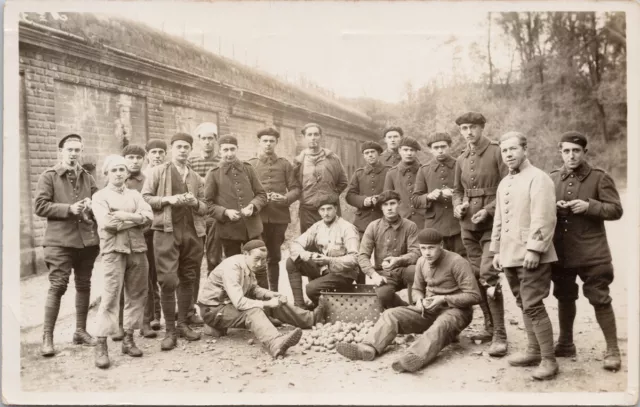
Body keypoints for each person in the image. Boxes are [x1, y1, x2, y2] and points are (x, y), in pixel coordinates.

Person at [336, 228, 481, 373]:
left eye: (431, 248)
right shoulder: (421, 262)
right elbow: (417, 289)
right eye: (423, 248)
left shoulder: (457, 262)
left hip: (456, 312)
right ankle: (367, 348)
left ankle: (413, 357)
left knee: (442, 324)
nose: (427, 253)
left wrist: (443, 299)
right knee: (391, 314)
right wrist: (419, 300)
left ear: (441, 245)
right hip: (429, 309)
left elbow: (474, 296)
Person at [550, 131, 623, 371]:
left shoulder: (599, 178)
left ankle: (612, 350)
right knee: (564, 296)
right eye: (566, 151)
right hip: (562, 253)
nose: (571, 156)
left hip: (593, 253)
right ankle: (565, 343)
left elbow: (615, 210)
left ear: (584, 152)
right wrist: (555, 207)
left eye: (576, 151)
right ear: (560, 152)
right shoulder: (552, 179)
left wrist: (589, 206)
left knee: (599, 298)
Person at [491, 131, 559, 380]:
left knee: (533, 304)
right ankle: (532, 350)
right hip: (509, 255)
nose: (508, 154)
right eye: (504, 151)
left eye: (513, 149)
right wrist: (496, 250)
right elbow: (499, 218)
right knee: (523, 303)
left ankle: (549, 361)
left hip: (532, 255)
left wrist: (534, 249)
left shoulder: (539, 178)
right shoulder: (504, 182)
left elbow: (544, 217)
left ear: (525, 150)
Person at [197, 240, 328, 358]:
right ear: (246, 253)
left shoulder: (247, 263)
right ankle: (275, 343)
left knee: (274, 302)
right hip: (213, 310)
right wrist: (267, 303)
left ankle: (311, 319)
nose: (260, 264)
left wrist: (271, 295)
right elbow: (240, 302)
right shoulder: (232, 267)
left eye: (263, 259)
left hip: (227, 305)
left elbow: (253, 289)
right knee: (254, 310)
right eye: (257, 259)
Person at [35, 134, 101, 357]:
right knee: (58, 286)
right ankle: (47, 337)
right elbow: (40, 206)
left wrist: (92, 204)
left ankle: (80, 331)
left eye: (77, 150)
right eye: (70, 150)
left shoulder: (87, 177)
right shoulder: (49, 176)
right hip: (59, 242)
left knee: (84, 284)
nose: (74, 154)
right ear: (61, 151)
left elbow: (98, 201)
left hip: (86, 242)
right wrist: (69, 209)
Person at [142, 132, 207, 350]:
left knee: (188, 277)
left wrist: (194, 202)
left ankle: (182, 324)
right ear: (172, 149)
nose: (182, 150)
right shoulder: (158, 172)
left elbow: (206, 206)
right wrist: (168, 200)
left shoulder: (197, 178)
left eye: (186, 147)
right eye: (178, 146)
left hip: (192, 232)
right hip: (166, 230)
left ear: (190, 150)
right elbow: (145, 198)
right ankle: (169, 330)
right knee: (168, 280)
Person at [452, 112, 509, 355]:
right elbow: (456, 191)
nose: (468, 132)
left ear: (482, 128)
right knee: (475, 277)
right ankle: (488, 325)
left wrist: (488, 210)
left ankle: (500, 334)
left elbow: (507, 189)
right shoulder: (461, 158)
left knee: (489, 275)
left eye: (472, 127)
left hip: (492, 224)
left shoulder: (497, 152)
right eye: (464, 128)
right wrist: (458, 205)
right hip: (468, 226)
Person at [91, 155, 153, 368]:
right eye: (114, 170)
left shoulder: (135, 194)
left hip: (137, 249)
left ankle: (128, 339)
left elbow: (149, 216)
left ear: (127, 173)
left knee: (136, 295)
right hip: (113, 251)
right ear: (106, 173)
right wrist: (135, 218)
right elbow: (108, 223)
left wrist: (125, 216)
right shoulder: (99, 197)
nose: (119, 173)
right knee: (110, 297)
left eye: (122, 169)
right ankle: (101, 344)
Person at [247, 128, 301, 291]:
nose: (268, 144)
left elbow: (296, 189)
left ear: (276, 142)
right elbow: (245, 190)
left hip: (279, 217)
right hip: (258, 217)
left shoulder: (284, 164)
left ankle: (274, 292)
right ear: (259, 142)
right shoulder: (251, 164)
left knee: (274, 256)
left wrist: (285, 198)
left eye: (271, 141)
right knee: (257, 255)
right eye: (265, 140)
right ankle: (259, 291)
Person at [286, 195, 360, 309]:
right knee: (291, 262)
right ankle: (300, 306)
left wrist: (329, 260)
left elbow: (354, 259)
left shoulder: (347, 228)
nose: (326, 213)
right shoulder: (317, 226)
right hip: (324, 270)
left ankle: (331, 308)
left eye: (329, 209)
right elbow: (295, 244)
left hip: (342, 275)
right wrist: (306, 254)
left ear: (336, 209)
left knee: (311, 289)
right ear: (319, 212)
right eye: (322, 210)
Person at [204, 135, 267, 257]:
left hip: (252, 228)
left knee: (258, 262)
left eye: (232, 149)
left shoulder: (248, 168)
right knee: (234, 266)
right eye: (225, 150)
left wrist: (252, 206)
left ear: (237, 149)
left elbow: (261, 194)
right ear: (219, 150)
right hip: (229, 230)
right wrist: (225, 212)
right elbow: (207, 203)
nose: (229, 153)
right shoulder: (214, 173)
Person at [358, 190, 419, 309]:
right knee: (383, 295)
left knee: (415, 271)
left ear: (399, 204)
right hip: (384, 274)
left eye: (392, 203)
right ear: (381, 207)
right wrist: (374, 275)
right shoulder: (373, 226)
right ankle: (403, 308)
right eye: (385, 205)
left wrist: (398, 260)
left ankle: (417, 307)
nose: (389, 208)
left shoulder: (410, 226)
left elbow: (416, 252)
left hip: (405, 270)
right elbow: (362, 256)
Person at [412, 132, 466, 256]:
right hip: (435, 225)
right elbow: (415, 199)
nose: (440, 151)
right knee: (438, 262)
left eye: (443, 147)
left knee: (462, 260)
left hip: (459, 223)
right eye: (436, 148)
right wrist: (429, 196)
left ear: (450, 146)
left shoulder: (461, 164)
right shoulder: (424, 170)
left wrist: (457, 196)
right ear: (430, 150)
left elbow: (468, 191)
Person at [292, 123, 348, 233]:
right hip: (308, 209)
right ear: (304, 137)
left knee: (333, 244)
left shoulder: (332, 158)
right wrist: (303, 197)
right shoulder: (299, 161)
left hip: (330, 209)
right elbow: (293, 184)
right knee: (309, 243)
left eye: (316, 134)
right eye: (309, 134)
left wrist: (332, 195)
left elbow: (343, 181)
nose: (313, 137)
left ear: (321, 136)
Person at [189, 122, 223, 274]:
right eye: (204, 138)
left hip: (214, 214)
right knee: (194, 254)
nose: (207, 142)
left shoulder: (221, 161)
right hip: (195, 213)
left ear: (216, 140)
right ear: (199, 140)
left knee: (214, 256)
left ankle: (213, 287)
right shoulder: (191, 161)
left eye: (211, 138)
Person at [346, 141, 391, 240]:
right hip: (363, 221)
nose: (370, 155)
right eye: (367, 153)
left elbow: (396, 193)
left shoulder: (389, 171)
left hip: (385, 217)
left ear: (379, 153)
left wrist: (380, 199)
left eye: (372, 152)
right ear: (364, 156)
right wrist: (364, 201)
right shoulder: (359, 174)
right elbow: (350, 196)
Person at [384, 136, 424, 228]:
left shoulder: (423, 170)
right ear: (399, 150)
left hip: (423, 220)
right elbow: (387, 199)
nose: (409, 153)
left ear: (416, 152)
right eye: (405, 150)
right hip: (401, 221)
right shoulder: (391, 173)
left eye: (412, 150)